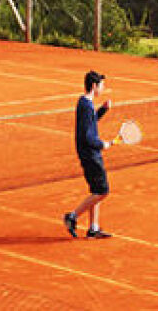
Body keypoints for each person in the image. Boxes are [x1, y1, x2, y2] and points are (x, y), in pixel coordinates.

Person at [64, 71, 115, 239]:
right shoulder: (86, 106)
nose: (103, 88)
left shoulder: (85, 102)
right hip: (91, 155)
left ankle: (93, 228)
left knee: (95, 190)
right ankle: (72, 216)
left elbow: (90, 122)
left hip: (89, 153)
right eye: (101, 85)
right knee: (103, 191)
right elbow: (88, 136)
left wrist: (103, 110)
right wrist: (103, 144)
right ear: (94, 86)